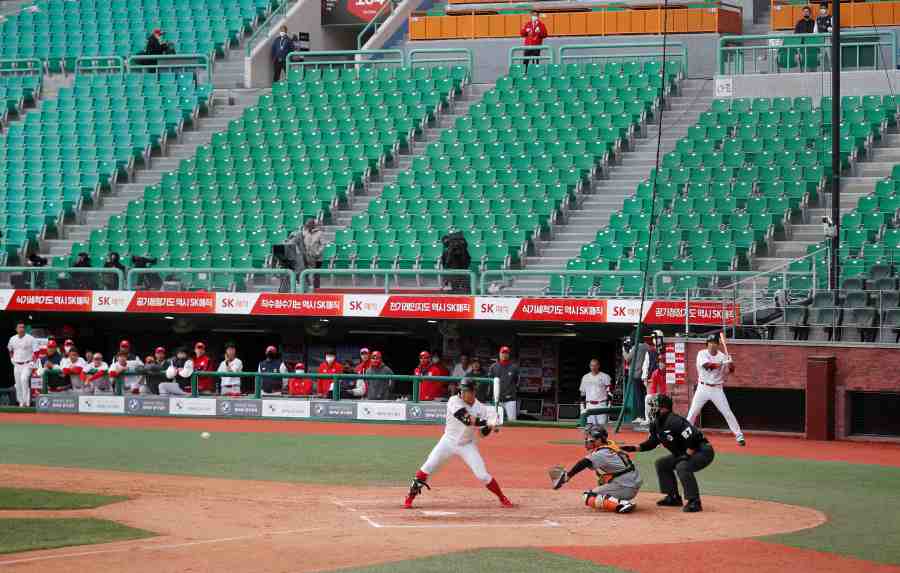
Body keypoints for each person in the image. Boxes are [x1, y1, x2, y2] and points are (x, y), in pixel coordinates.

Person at [404, 378, 512, 509]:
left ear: (473, 392)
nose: (462, 393)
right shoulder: (453, 401)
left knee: (482, 475)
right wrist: (486, 422)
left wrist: (490, 427)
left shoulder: (481, 408)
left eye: (466, 391)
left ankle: (502, 497)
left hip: (467, 444)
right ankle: (410, 497)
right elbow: (466, 419)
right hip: (448, 441)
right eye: (462, 390)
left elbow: (482, 434)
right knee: (428, 466)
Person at [622, 394, 715, 513]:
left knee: (682, 466)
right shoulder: (656, 423)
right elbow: (653, 442)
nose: (651, 410)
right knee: (662, 464)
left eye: (654, 407)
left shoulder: (674, 421)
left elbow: (694, 437)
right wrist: (635, 448)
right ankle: (673, 497)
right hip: (686, 452)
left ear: (664, 408)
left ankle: (694, 502)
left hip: (702, 451)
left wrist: (686, 455)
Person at [551, 425, 642, 514]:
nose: (587, 440)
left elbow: (583, 463)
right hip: (629, 482)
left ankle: (622, 504)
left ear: (599, 440)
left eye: (590, 438)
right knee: (601, 479)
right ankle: (617, 498)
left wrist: (568, 476)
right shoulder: (609, 444)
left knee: (589, 496)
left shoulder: (601, 453)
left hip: (626, 486)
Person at [687, 334, 745, 446]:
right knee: (693, 412)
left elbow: (731, 370)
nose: (712, 345)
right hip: (702, 387)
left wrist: (730, 362)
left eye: (714, 343)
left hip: (717, 389)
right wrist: (723, 362)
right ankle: (684, 434)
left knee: (727, 412)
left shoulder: (722, 356)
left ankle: (739, 436)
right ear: (707, 344)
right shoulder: (702, 354)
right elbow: (708, 366)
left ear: (718, 345)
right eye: (710, 343)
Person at [8, 322, 38, 407]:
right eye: (20, 327)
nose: (22, 329)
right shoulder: (12, 339)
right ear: (16, 329)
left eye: (23, 327)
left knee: (24, 379)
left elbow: (36, 351)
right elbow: (10, 349)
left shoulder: (31, 338)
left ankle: (26, 402)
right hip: (16, 364)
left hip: (27, 364)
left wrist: (33, 361)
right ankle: (21, 402)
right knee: (18, 383)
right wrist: (11, 358)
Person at [488, 346, 519, 421]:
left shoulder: (514, 367)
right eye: (503, 353)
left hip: (510, 399)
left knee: (512, 421)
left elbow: (516, 381)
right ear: (499, 354)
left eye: (506, 353)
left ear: (509, 355)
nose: (504, 355)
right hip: (497, 400)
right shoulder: (493, 367)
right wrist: (490, 397)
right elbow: (490, 383)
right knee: (495, 422)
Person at [580, 359, 612, 426]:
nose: (593, 367)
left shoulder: (605, 376)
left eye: (595, 365)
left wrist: (609, 404)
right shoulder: (585, 377)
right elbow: (582, 393)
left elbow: (610, 392)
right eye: (592, 366)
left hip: (601, 405)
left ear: (598, 366)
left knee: (602, 427)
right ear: (589, 366)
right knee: (590, 428)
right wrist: (582, 406)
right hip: (589, 405)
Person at [645, 355, 668, 426]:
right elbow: (653, 388)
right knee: (648, 398)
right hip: (660, 395)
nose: (661, 364)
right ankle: (649, 420)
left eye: (663, 362)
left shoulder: (670, 372)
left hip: (668, 395)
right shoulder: (655, 373)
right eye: (660, 362)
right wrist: (654, 396)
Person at [301, 219, 324, 289]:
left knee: (316, 275)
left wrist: (318, 252)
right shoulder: (304, 232)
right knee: (305, 273)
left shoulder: (320, 233)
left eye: (309, 224)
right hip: (307, 256)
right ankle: (306, 288)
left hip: (317, 258)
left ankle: (317, 289)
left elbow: (323, 245)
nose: (307, 226)